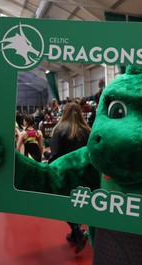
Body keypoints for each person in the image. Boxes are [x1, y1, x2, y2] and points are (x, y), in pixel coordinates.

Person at [48, 102, 91, 253]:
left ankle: (77, 230)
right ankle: (76, 233)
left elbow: (55, 155)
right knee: (80, 203)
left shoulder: (59, 130)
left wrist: (49, 168)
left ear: (64, 113)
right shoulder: (87, 130)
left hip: (65, 173)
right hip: (84, 174)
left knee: (62, 204)